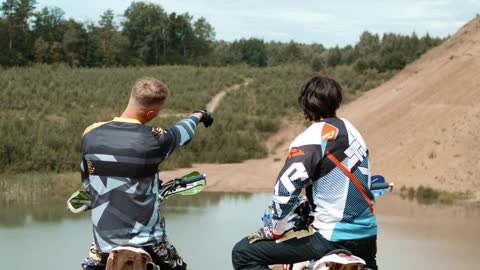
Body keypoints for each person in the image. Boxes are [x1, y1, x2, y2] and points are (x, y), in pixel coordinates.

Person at [232, 75, 378, 270]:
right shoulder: (353, 132)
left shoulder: (311, 138)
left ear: (305, 107)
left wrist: (274, 230)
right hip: (367, 238)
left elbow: (284, 190)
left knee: (243, 254)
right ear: (337, 102)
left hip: (329, 239)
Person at [79, 77, 213, 270]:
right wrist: (198, 116)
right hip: (149, 246)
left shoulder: (90, 135)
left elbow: (88, 183)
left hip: (104, 247)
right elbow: (182, 131)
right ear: (151, 113)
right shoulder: (155, 139)